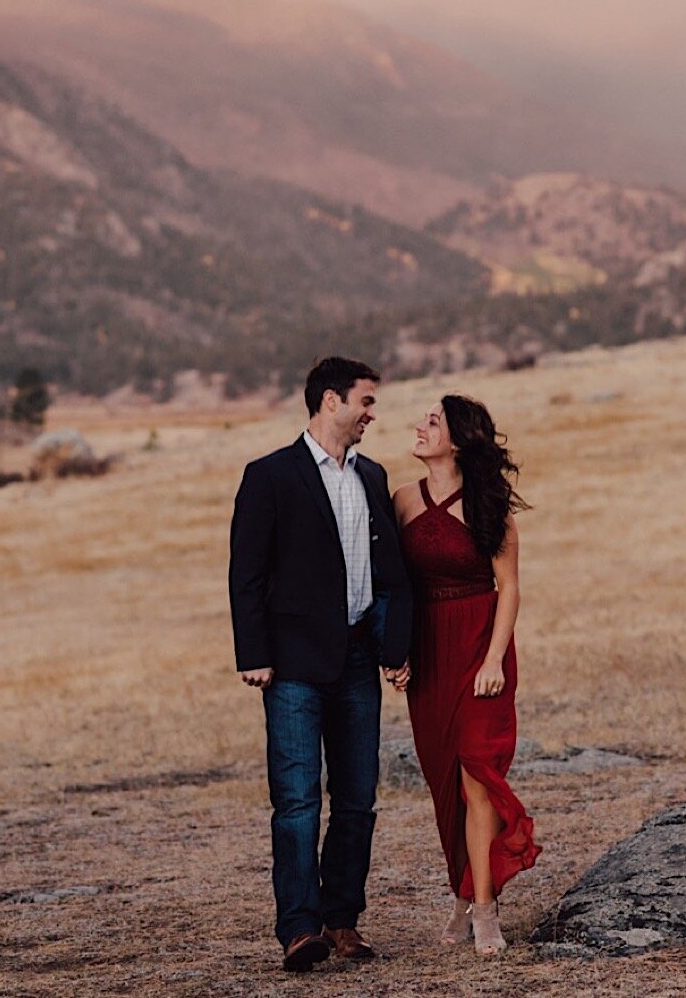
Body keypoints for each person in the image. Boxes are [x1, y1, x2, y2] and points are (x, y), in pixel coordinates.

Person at [228, 357, 413, 973]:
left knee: (358, 799)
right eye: (365, 401)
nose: (372, 413)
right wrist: (253, 655)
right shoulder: (270, 475)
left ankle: (342, 921)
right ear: (330, 400)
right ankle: (300, 928)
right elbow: (246, 575)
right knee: (298, 801)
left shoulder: (373, 476)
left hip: (359, 660)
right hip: (292, 668)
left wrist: (394, 650)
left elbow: (388, 577)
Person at [393, 394, 540, 956]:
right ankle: (464, 892)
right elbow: (396, 588)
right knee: (443, 786)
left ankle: (485, 912)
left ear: (457, 439)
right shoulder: (402, 500)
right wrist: (398, 652)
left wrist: (494, 660)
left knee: (477, 777)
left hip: (481, 648)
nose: (420, 426)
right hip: (429, 653)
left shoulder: (490, 508)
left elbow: (510, 589)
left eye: (433, 421)